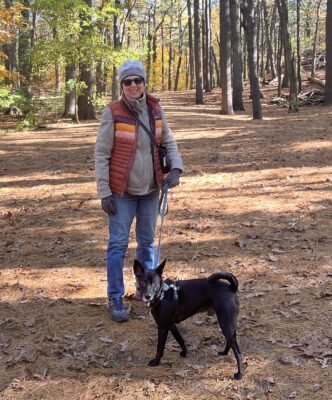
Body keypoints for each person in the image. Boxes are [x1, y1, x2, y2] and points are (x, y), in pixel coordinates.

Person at [95, 60, 183, 322]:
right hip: (121, 191)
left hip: (150, 190)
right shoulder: (112, 112)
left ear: (144, 82)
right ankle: (114, 296)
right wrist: (104, 192)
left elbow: (167, 139)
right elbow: (101, 154)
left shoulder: (155, 108)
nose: (133, 85)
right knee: (118, 245)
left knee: (146, 244)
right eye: (127, 81)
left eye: (138, 80)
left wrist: (175, 169)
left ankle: (145, 291)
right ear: (121, 85)